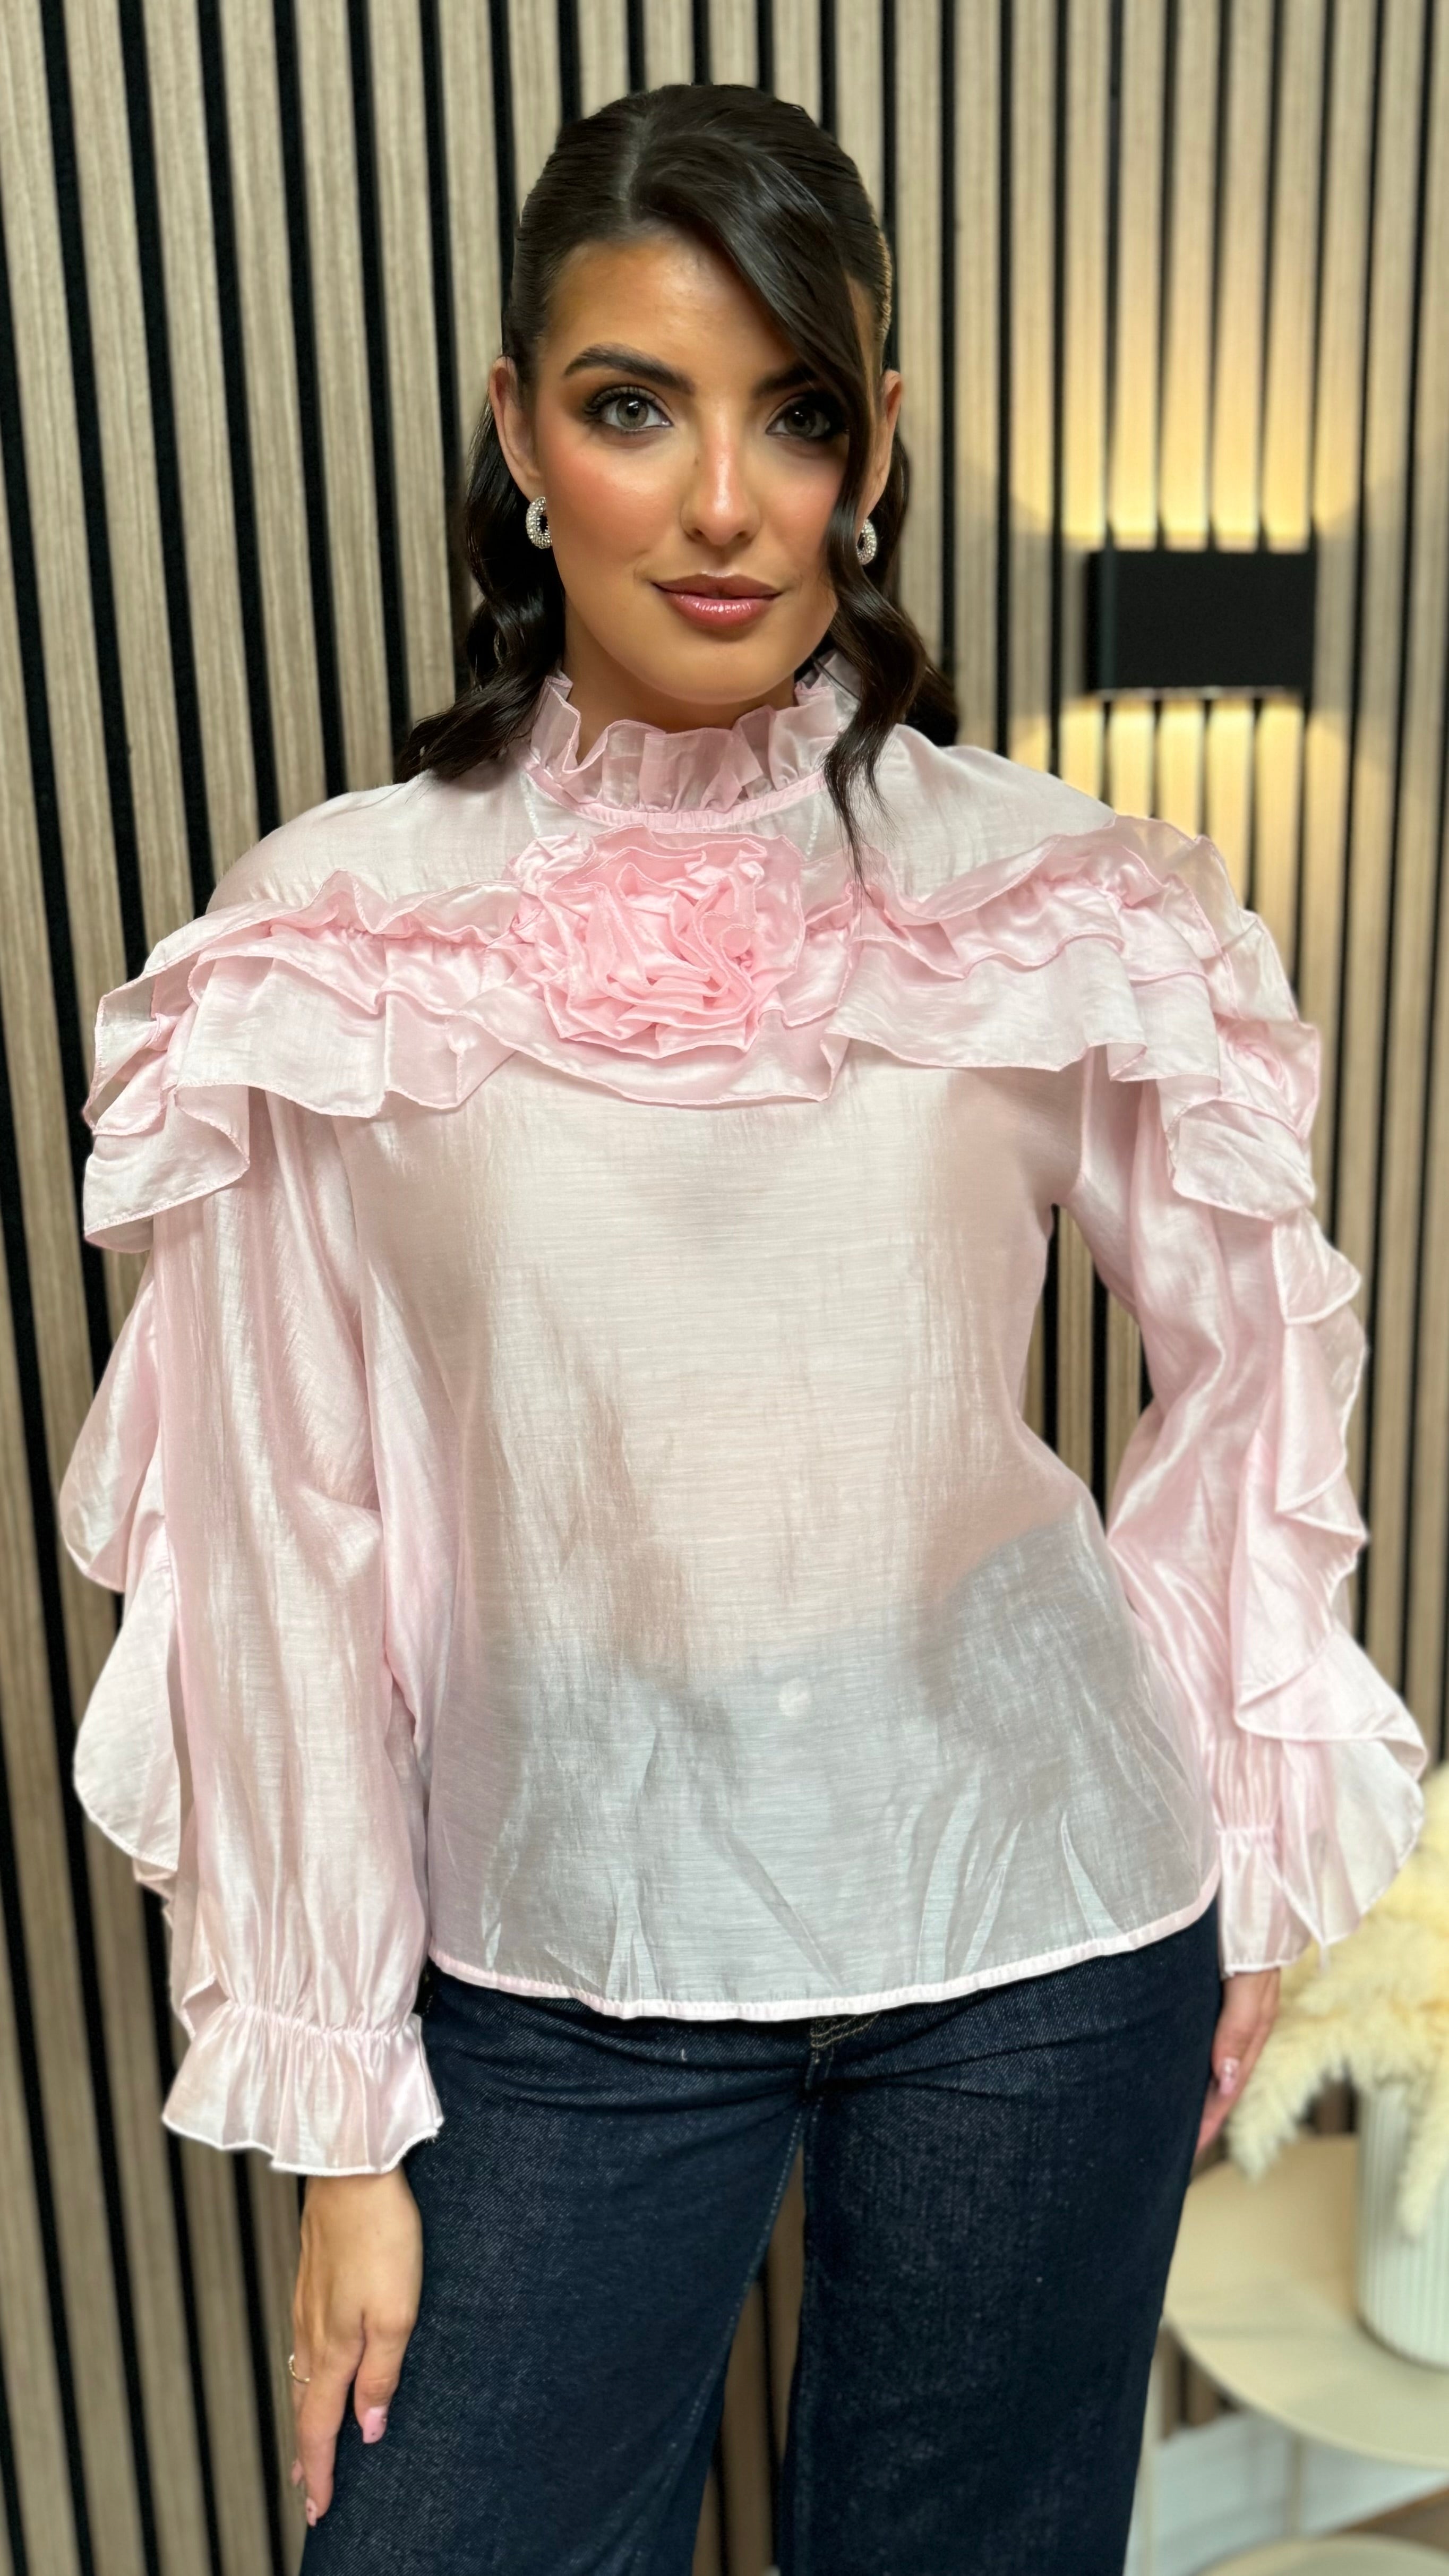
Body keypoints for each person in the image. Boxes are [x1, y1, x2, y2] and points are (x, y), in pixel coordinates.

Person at [58, 82, 1425, 2576]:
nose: (719, 503)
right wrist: (343, 2127)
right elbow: (274, 1536)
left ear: (872, 443)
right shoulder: (331, 943)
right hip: (552, 1962)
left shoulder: (1051, 897)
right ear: (516, 431)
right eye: (632, 406)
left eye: (790, 413)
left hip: (1041, 1930)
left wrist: (1237, 1840)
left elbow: (1256, 1358)